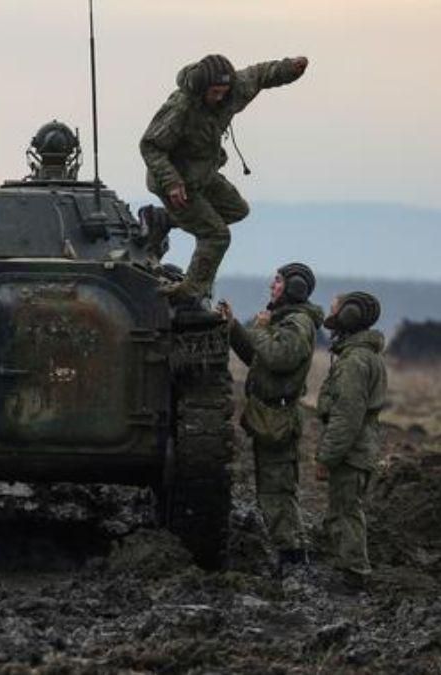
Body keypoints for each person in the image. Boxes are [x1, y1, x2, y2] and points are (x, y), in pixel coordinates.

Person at [140, 54, 308, 307]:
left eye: (223, 92)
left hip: (204, 174)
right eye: (214, 92)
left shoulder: (233, 91)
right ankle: (191, 291)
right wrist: (172, 182)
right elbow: (151, 146)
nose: (219, 97)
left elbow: (261, 74)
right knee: (216, 235)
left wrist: (291, 69)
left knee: (237, 210)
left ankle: (164, 219)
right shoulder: (182, 107)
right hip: (176, 182)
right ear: (202, 88)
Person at [219, 263, 323, 570]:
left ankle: (293, 558)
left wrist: (261, 328)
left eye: (277, 282)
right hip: (269, 415)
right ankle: (289, 554)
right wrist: (234, 327)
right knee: (272, 488)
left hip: (277, 417)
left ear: (293, 289)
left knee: (277, 490)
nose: (271, 286)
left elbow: (279, 358)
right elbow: (257, 357)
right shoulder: (287, 321)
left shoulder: (297, 324)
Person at [314, 291, 387, 586]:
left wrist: (326, 457)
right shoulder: (362, 356)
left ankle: (354, 576)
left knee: (345, 514)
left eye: (336, 309)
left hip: (352, 452)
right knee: (344, 511)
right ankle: (346, 572)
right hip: (359, 448)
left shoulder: (354, 362)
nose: (331, 314)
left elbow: (346, 417)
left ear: (349, 316)